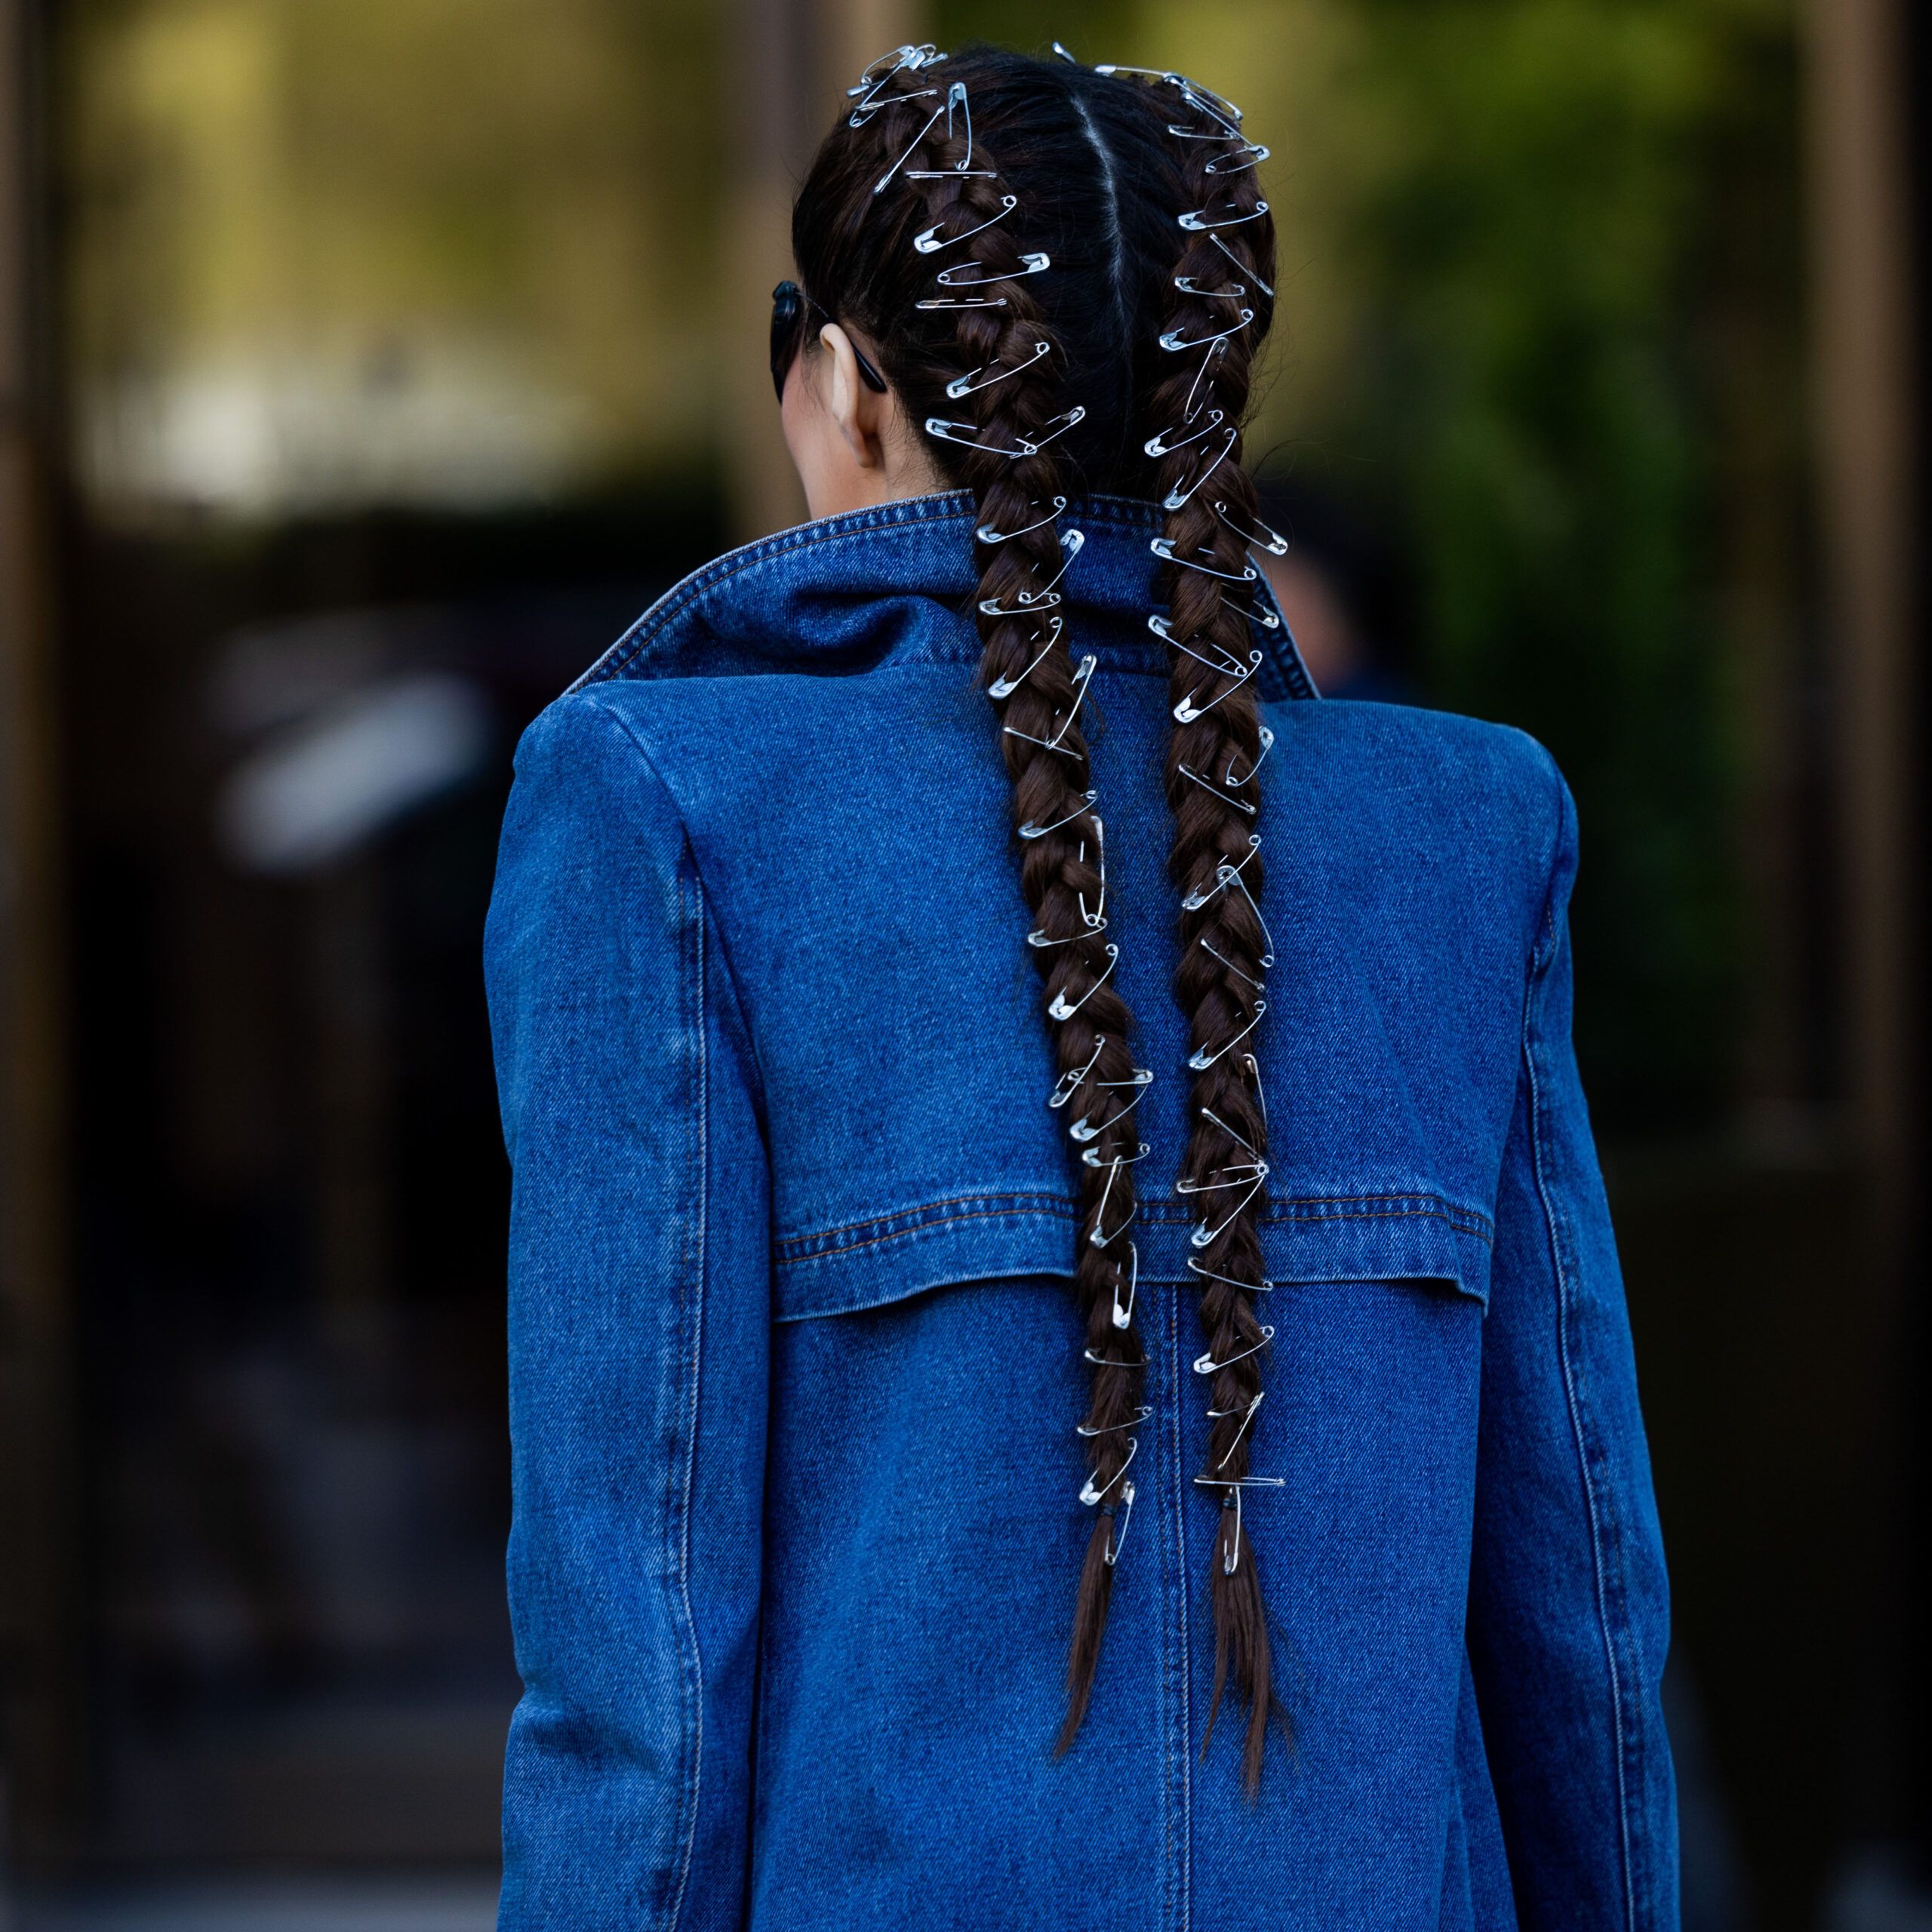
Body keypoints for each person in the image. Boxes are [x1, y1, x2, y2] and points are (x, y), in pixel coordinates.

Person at [483, 42, 1677, 1931]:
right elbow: (1581, 1603)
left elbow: (640, 1668)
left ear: (841, 385)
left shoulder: (660, 810)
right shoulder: (1465, 830)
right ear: (1218, 409)